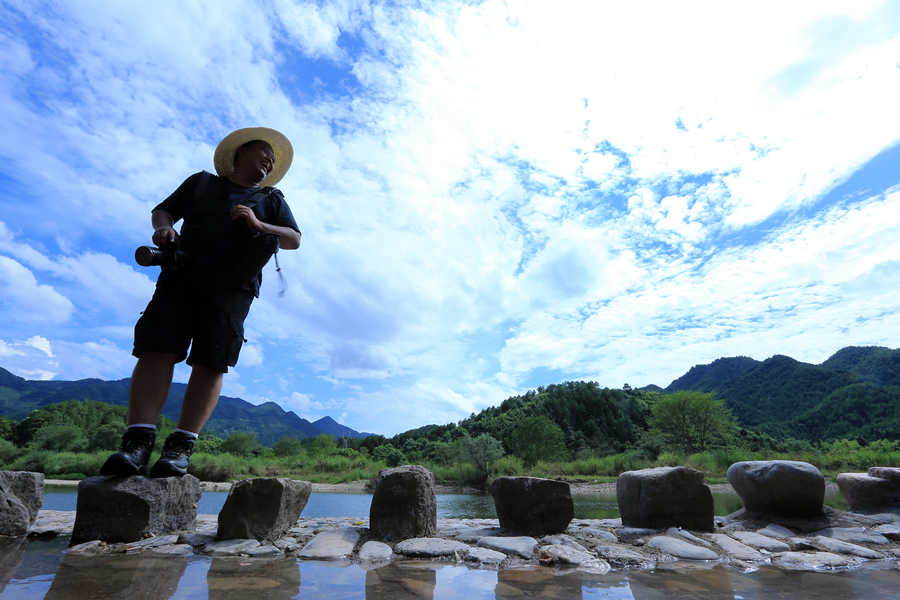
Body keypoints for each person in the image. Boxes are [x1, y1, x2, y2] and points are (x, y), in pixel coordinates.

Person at [101, 127, 301, 478]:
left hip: (233, 289)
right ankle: (137, 444)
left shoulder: (272, 200)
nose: (269, 162)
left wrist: (257, 222)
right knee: (156, 349)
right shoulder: (202, 183)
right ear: (239, 154)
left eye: (272, 159)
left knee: (212, 361)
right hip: (180, 277)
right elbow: (163, 211)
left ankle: (180, 448)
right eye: (263, 154)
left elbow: (294, 239)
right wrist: (163, 229)